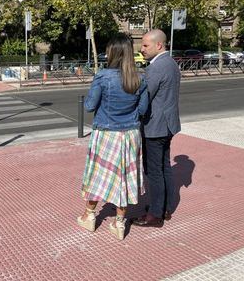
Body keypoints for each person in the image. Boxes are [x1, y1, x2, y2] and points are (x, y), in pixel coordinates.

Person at [77, 34, 149, 240]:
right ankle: (119, 223)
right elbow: (143, 109)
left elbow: (90, 105)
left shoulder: (103, 76)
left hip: (106, 134)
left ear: (112, 52)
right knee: (125, 178)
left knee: (98, 175)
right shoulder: (140, 78)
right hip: (130, 134)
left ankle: (89, 216)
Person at [132, 29, 181, 228]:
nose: (141, 49)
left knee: (154, 171)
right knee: (164, 167)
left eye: (145, 45)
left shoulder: (156, 68)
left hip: (155, 127)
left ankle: (155, 214)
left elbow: (144, 96)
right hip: (167, 124)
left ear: (158, 45)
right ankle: (165, 208)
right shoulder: (171, 63)